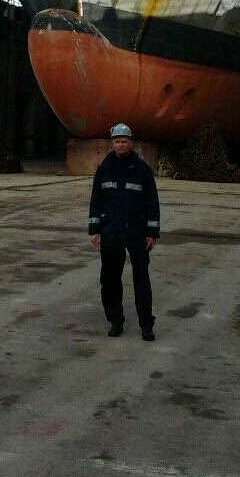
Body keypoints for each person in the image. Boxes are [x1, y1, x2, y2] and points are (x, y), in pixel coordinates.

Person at [88, 123, 160, 341]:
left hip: (137, 232)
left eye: (124, 141)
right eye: (117, 141)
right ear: (112, 143)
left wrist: (151, 232)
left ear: (131, 143)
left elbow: (152, 202)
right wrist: (94, 229)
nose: (120, 145)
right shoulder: (104, 169)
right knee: (110, 279)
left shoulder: (142, 170)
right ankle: (115, 321)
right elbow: (96, 200)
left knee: (141, 278)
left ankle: (146, 324)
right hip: (111, 231)